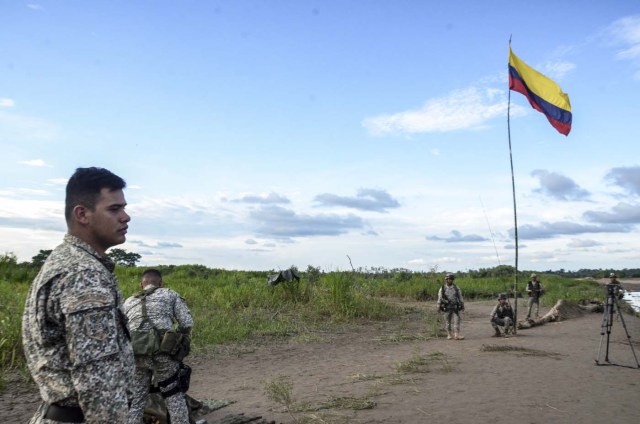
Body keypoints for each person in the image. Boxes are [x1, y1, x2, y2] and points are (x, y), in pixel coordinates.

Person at [22, 167, 135, 423]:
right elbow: (100, 384)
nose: (126, 217)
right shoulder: (83, 274)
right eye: (114, 209)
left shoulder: (66, 262)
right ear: (82, 214)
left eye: (124, 208)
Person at [125, 268, 194, 424]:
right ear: (160, 283)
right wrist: (176, 340)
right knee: (173, 396)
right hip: (164, 353)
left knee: (136, 401)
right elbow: (187, 323)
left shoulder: (128, 301)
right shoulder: (169, 294)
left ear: (141, 285)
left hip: (136, 354)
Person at [437, 273, 465, 340]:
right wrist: (438, 306)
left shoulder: (456, 287)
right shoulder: (442, 288)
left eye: (451, 279)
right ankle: (449, 334)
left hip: (456, 306)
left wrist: (462, 304)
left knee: (457, 321)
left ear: (452, 280)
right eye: (448, 279)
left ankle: (457, 335)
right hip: (447, 307)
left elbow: (460, 296)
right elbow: (439, 297)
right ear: (446, 280)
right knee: (447, 321)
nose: (449, 280)